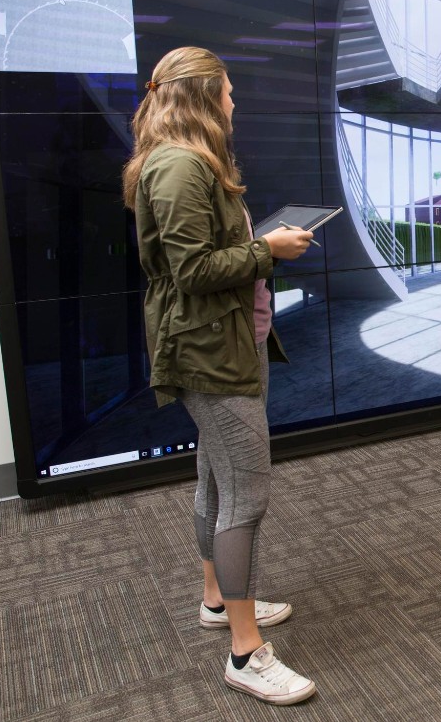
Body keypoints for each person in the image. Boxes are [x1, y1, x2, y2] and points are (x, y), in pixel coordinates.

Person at [122, 47, 318, 704]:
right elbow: (192, 270)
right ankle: (245, 652)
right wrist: (270, 249)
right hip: (210, 354)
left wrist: (260, 246)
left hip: (226, 343)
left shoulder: (187, 160)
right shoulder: (178, 166)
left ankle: (217, 599)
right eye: (229, 92)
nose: (235, 102)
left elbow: (205, 255)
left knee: (216, 473)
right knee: (245, 496)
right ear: (203, 97)